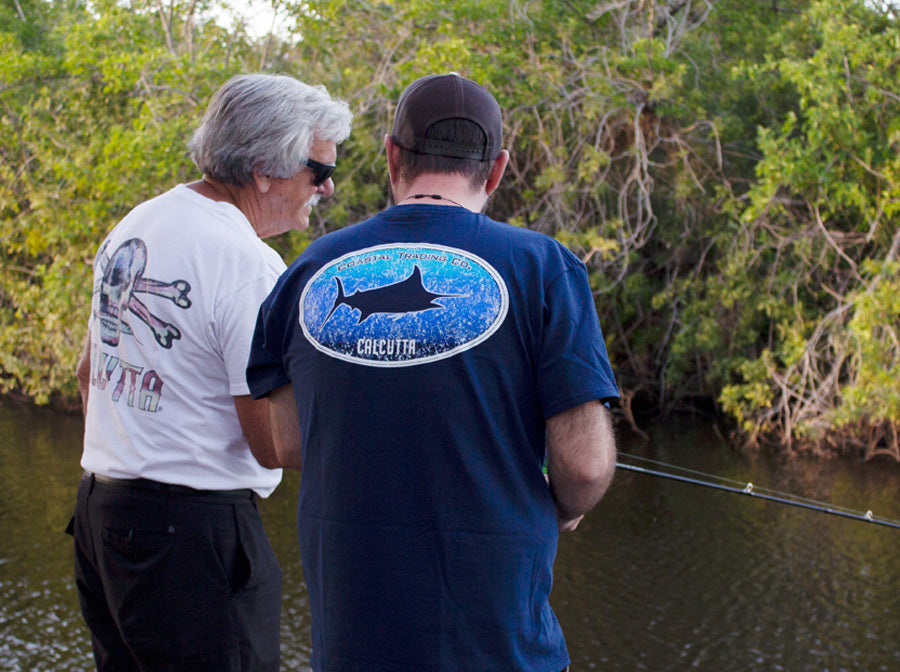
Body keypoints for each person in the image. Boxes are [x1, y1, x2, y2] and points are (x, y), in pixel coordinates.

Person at [247, 73, 618, 671]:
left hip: (352, 650)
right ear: (495, 171)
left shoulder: (308, 271)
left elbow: (288, 441)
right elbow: (587, 463)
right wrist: (568, 504)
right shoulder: (544, 269)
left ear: (393, 155)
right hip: (500, 653)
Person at [70, 73, 352, 671]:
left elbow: (87, 371)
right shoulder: (249, 264)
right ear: (264, 169)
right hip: (190, 540)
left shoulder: (137, 223)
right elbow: (273, 442)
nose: (327, 188)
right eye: (319, 170)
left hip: (101, 519)